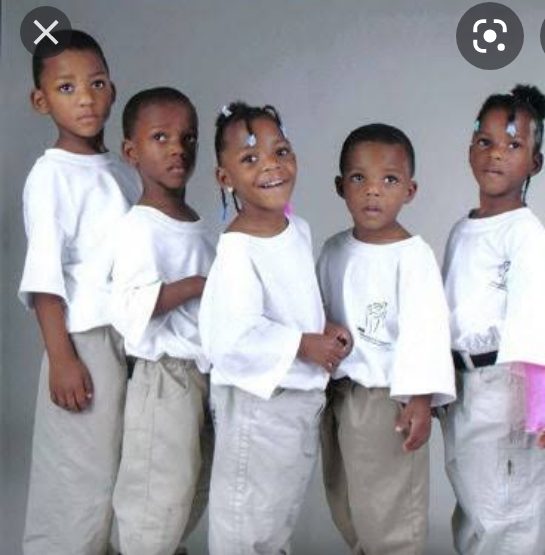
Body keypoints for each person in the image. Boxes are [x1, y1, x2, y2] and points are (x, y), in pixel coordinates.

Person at [198, 102, 352, 555]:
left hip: (296, 405)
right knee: (245, 522)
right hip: (259, 408)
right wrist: (304, 344)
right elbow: (231, 337)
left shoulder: (295, 229)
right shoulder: (238, 249)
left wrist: (323, 325)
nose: (270, 165)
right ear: (225, 177)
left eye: (280, 151)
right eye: (250, 158)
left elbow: (294, 300)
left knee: (275, 517)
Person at [18, 29, 140, 555]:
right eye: (66, 88)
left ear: (113, 89)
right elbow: (44, 276)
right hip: (83, 342)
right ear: (41, 101)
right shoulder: (51, 176)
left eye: (96, 83)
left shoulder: (123, 171)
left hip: (129, 337)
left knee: (122, 467)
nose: (85, 98)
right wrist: (62, 358)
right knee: (79, 476)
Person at [316, 123, 456, 555]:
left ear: (410, 190)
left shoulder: (412, 256)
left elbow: (426, 329)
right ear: (340, 186)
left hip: (388, 399)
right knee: (349, 501)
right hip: (340, 393)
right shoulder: (334, 250)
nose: (373, 191)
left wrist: (420, 398)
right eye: (359, 178)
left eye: (389, 180)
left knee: (391, 510)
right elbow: (318, 311)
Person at [441, 85, 545, 555]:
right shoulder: (463, 229)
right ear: (470, 149)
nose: (497, 154)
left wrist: (544, 402)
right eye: (486, 141)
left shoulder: (524, 232)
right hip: (465, 386)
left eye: (514, 145)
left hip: (507, 388)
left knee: (507, 513)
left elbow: (533, 316)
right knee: (476, 505)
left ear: (535, 161)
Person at [110, 87, 214, 555]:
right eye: (160, 137)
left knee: (191, 486)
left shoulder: (194, 222)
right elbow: (128, 306)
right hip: (163, 378)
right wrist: (194, 285)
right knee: (157, 494)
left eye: (188, 138)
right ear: (131, 152)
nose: (177, 148)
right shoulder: (140, 226)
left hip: (199, 374)